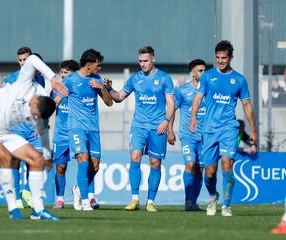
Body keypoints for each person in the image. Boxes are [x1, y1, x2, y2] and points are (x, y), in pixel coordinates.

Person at [0, 53, 67, 220]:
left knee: (36, 159)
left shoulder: (40, 109)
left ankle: (38, 209)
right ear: (36, 100)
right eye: (33, 110)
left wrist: (47, 156)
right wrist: (53, 78)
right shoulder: (25, 83)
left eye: (35, 114)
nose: (32, 114)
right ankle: (13, 208)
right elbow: (31, 60)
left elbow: (44, 134)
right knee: (6, 158)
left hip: (4, 131)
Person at [189, 40, 257, 217]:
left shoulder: (239, 80)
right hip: (209, 129)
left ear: (231, 57)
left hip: (229, 128)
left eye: (224, 58)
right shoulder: (207, 76)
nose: (220, 61)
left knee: (227, 165)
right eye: (218, 57)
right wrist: (194, 117)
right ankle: (213, 197)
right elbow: (197, 98)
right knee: (210, 172)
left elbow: (247, 105)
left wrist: (254, 129)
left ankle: (226, 205)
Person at [0, 47, 49, 209]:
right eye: (20, 60)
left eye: (26, 60)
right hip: (15, 126)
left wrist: (40, 123)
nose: (23, 63)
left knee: (36, 160)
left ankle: (28, 193)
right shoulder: (12, 79)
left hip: (31, 128)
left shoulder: (40, 79)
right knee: (6, 159)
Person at [104, 46, 174, 212]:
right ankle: (134, 199)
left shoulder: (164, 78)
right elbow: (119, 97)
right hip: (139, 126)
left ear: (153, 59)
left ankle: (150, 201)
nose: (143, 64)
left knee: (155, 163)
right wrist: (109, 89)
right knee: (135, 157)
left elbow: (171, 102)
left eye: (146, 61)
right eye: (140, 61)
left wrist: (166, 120)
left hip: (158, 127)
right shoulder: (136, 79)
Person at [61, 49, 113, 211]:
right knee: (83, 160)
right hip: (76, 127)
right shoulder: (70, 80)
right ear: (89, 65)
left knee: (95, 166)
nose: (100, 68)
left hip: (93, 129)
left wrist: (102, 88)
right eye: (98, 65)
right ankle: (85, 200)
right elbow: (56, 98)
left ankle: (78, 189)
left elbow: (109, 103)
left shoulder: (96, 79)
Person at [168, 59, 206, 211]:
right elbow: (172, 109)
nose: (203, 73)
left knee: (200, 169)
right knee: (190, 164)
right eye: (200, 71)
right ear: (192, 73)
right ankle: (188, 200)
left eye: (204, 70)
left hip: (205, 137)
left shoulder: (209, 89)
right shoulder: (182, 90)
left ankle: (194, 202)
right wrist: (170, 130)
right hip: (188, 136)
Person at [51, 59, 79, 209]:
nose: (63, 76)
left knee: (85, 164)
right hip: (60, 135)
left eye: (66, 73)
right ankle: (60, 199)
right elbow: (49, 107)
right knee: (60, 167)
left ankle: (87, 196)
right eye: (61, 73)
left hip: (78, 132)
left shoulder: (79, 88)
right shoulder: (56, 90)